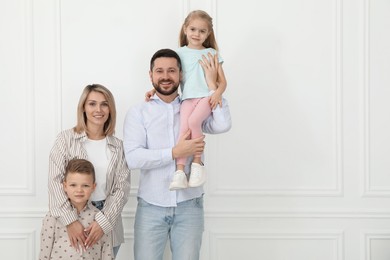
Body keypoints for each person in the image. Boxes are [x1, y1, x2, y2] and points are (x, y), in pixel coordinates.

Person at [123, 48, 231, 260]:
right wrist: (175, 153)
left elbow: (223, 124)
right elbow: (133, 158)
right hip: (150, 208)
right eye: (159, 71)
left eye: (171, 71)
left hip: (189, 207)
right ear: (150, 75)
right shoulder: (139, 112)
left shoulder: (194, 107)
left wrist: (212, 88)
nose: (165, 76)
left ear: (181, 75)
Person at [146, 10, 227, 190]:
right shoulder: (179, 54)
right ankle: (180, 171)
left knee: (193, 121)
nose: (196, 34)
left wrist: (217, 93)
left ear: (208, 34)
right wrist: (154, 89)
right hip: (187, 99)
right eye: (193, 29)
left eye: (202, 31)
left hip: (205, 97)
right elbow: (172, 78)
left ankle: (197, 164)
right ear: (185, 29)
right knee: (183, 130)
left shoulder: (212, 53)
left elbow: (223, 82)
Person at [48, 84, 131, 257]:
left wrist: (103, 222)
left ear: (110, 109)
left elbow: (121, 189)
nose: (98, 109)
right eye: (92, 104)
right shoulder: (66, 139)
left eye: (104, 104)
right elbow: (55, 182)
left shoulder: (118, 147)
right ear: (83, 108)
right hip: (72, 214)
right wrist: (71, 221)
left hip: (109, 219)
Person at [40, 158, 114, 260]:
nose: (79, 190)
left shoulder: (100, 219)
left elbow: (107, 253)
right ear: (65, 186)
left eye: (85, 185)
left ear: (93, 187)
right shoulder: (52, 217)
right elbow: (45, 252)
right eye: (73, 185)